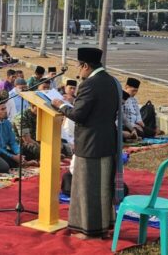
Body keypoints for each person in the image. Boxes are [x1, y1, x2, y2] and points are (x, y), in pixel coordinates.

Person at [50, 47, 120, 239]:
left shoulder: (89, 84)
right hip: (107, 141)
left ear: (86, 66)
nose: (78, 71)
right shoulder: (112, 81)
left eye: (79, 66)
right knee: (104, 187)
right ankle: (104, 225)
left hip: (89, 144)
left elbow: (78, 115)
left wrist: (61, 105)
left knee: (87, 189)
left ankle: (89, 231)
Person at [0, 101, 36, 168]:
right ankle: (23, 163)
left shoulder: (7, 123)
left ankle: (22, 161)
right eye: (2, 109)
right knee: (5, 165)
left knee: (25, 152)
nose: (5, 111)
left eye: (5, 108)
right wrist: (12, 156)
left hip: (5, 151)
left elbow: (12, 142)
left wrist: (18, 153)